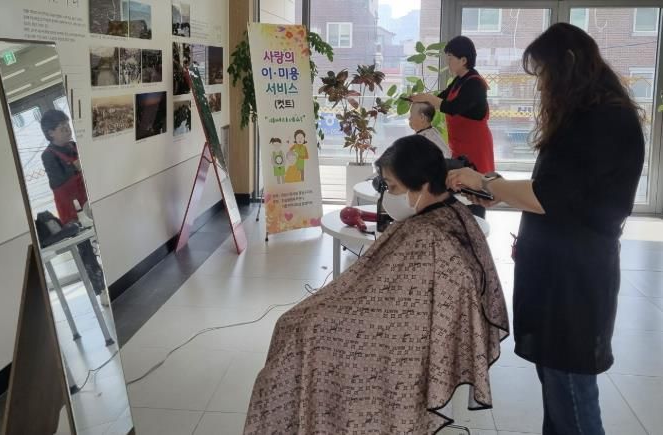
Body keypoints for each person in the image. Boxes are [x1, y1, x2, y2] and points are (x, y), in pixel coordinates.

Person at [446, 23, 645, 435]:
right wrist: (496, 190)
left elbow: (547, 197)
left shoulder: (603, 121)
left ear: (568, 64)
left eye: (544, 75)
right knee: (557, 396)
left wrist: (484, 182)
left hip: (573, 281)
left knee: (572, 401)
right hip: (560, 272)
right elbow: (554, 190)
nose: (541, 87)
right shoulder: (587, 115)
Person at [244, 135, 509, 434]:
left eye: (392, 187)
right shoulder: (443, 218)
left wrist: (323, 316)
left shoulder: (430, 237)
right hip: (390, 315)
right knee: (292, 323)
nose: (387, 197)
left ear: (422, 184)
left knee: (299, 331)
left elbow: (397, 307)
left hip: (398, 333)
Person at [411, 36, 494, 218]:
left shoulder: (475, 83)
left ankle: (476, 226)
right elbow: (440, 99)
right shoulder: (459, 80)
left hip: (475, 147)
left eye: (450, 57)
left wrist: (429, 98)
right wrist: (420, 100)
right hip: (459, 144)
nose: (447, 61)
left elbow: (452, 107)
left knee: (474, 190)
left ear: (463, 60)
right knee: (457, 186)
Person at [40, 109, 105, 294]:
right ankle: (101, 291)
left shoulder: (75, 146)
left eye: (67, 125)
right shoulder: (48, 155)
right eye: (62, 127)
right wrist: (74, 167)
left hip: (88, 201)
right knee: (86, 251)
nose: (68, 130)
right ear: (50, 132)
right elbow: (56, 181)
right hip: (70, 210)